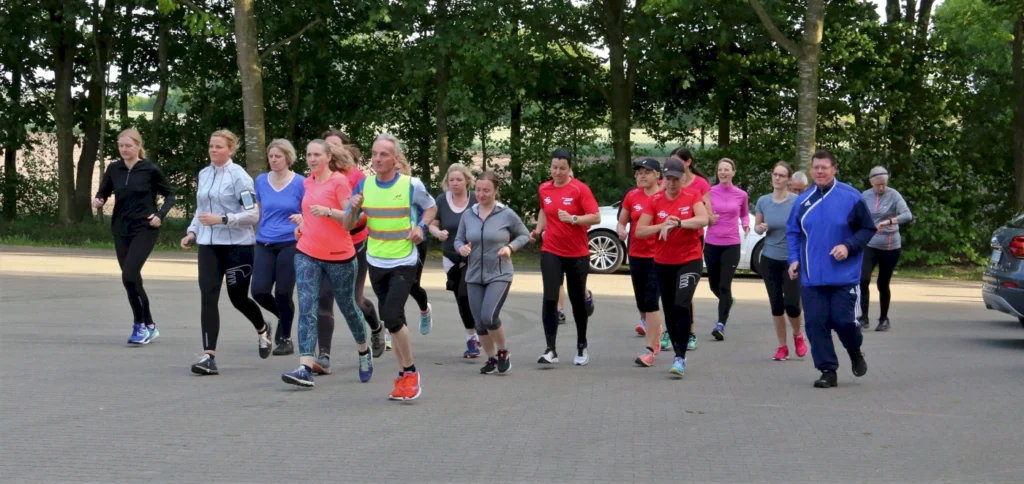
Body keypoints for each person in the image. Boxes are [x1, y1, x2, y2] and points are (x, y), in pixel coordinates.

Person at [343, 133, 437, 401]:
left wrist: (420, 227)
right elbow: (348, 226)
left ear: (396, 159)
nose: (377, 159)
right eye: (374, 154)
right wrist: (352, 208)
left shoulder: (411, 184)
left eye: (384, 154)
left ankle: (411, 372)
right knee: (393, 322)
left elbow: (430, 208)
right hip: (376, 260)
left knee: (392, 317)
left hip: (404, 260)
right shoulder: (364, 185)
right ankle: (401, 376)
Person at [280, 140, 372, 387]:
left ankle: (364, 351)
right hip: (307, 252)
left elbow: (351, 222)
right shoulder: (307, 182)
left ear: (328, 157)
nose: (311, 159)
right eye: (308, 154)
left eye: (317, 155)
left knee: (349, 307)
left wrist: (329, 212)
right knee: (307, 307)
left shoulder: (339, 182)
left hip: (339, 256)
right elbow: (310, 213)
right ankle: (305, 367)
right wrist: (302, 225)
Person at [181, 130, 270, 375]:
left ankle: (263, 329)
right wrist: (192, 232)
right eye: (211, 146)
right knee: (208, 297)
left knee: (237, 298)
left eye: (219, 147)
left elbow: (253, 215)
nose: (213, 150)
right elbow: (201, 210)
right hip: (209, 246)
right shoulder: (204, 174)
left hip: (237, 247)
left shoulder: (239, 177)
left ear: (231, 150)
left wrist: (222, 219)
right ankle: (209, 357)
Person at [786, 150, 875, 388]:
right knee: (816, 324)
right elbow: (793, 232)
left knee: (843, 321)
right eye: (816, 167)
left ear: (834, 169)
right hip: (811, 277)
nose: (820, 171)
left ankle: (855, 351)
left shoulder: (851, 196)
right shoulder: (803, 200)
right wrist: (794, 259)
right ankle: (827, 370)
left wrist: (848, 246)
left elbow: (867, 229)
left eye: (824, 167)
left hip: (844, 276)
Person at [93, 128, 176, 345]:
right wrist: (99, 199)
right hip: (121, 228)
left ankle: (139, 325)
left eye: (128, 146)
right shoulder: (114, 169)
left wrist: (160, 215)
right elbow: (104, 191)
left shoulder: (150, 170)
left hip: (145, 228)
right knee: (131, 279)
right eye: (121, 146)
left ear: (138, 146)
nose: (124, 150)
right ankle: (149, 324)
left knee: (129, 273)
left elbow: (170, 194)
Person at [316, 132, 385, 373]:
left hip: (354, 244)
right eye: (326, 146)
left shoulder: (357, 177)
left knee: (353, 301)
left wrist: (331, 214)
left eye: (334, 146)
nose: (330, 150)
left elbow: (360, 218)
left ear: (344, 149)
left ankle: (376, 328)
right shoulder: (316, 177)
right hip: (324, 246)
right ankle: (323, 356)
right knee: (323, 297)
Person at [635, 157, 709, 376]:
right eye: (668, 179)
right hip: (663, 262)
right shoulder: (656, 200)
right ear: (663, 179)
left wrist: (679, 223)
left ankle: (680, 357)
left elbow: (704, 219)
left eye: (676, 179)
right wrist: (662, 225)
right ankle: (677, 352)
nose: (672, 184)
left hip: (689, 260)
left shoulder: (692, 196)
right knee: (668, 309)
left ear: (683, 178)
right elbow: (640, 231)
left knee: (681, 304)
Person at [454, 170, 531, 374]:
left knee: (489, 316)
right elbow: (458, 239)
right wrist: (461, 248)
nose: (481, 194)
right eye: (478, 190)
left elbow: (524, 235)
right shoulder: (469, 214)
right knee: (479, 321)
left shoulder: (506, 214)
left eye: (487, 190)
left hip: (499, 273)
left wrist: (510, 248)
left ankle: (503, 350)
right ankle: (491, 358)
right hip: (474, 275)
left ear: (496, 191)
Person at [530, 148, 601, 366]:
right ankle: (550, 349)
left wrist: (574, 218)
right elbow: (544, 210)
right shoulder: (544, 188)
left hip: (577, 253)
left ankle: (581, 344)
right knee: (550, 298)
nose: (558, 172)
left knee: (577, 299)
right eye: (554, 168)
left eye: (562, 168)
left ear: (570, 168)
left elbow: (596, 216)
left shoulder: (580, 189)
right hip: (551, 249)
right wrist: (538, 229)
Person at [251, 139, 303, 356]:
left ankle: (286, 338)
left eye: (278, 156)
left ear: (288, 158)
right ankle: (283, 318)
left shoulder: (300, 182)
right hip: (264, 242)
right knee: (259, 291)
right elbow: (258, 211)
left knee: (283, 292)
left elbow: (309, 210)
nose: (273, 160)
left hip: (290, 242)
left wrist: (303, 217)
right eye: (271, 156)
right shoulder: (261, 181)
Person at [754, 162, 808, 361]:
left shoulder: (797, 201)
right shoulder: (763, 201)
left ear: (788, 179)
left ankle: (798, 335)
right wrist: (761, 228)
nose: (777, 178)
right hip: (769, 259)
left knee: (792, 305)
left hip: (791, 260)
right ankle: (782, 346)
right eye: (775, 174)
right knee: (776, 305)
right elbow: (757, 227)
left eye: (781, 175)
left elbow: (805, 228)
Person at [429, 163, 482, 358]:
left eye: (459, 179)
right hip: (450, 256)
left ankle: (476, 335)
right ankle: (473, 335)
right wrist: (438, 233)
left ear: (467, 180)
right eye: (451, 180)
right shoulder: (442, 201)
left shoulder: (476, 199)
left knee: (467, 295)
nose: (455, 183)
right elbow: (432, 225)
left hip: (475, 256)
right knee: (461, 298)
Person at [618, 158, 665, 367]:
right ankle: (653, 327)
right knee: (641, 302)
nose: (642, 176)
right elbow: (622, 221)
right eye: (639, 172)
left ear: (658, 175)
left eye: (647, 172)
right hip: (636, 254)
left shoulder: (664, 196)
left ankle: (651, 346)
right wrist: (621, 229)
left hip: (659, 255)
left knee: (651, 300)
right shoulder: (632, 196)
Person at [859, 166, 913, 332]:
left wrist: (889, 222)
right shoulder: (864, 196)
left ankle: (883, 318)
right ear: (871, 182)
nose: (881, 188)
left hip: (890, 245)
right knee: (863, 280)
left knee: (883, 283)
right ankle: (864, 317)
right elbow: (857, 216)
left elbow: (907, 215)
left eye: (884, 184)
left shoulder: (893, 194)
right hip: (870, 244)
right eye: (878, 185)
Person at [669, 147, 712, 352]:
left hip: (693, 239)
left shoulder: (700, 185)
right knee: (670, 294)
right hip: (666, 242)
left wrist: (688, 221)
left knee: (685, 291)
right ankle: (670, 330)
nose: (672, 168)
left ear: (687, 162)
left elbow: (708, 216)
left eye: (677, 162)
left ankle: (690, 331)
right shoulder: (666, 183)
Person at [704, 158, 749, 341]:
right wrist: (707, 218)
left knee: (724, 285)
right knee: (713, 284)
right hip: (712, 243)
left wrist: (745, 225)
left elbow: (745, 213)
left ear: (733, 172)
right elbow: (701, 212)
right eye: (720, 169)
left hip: (731, 244)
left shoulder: (741, 195)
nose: (723, 172)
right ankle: (728, 301)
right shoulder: (708, 193)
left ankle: (720, 324)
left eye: (727, 169)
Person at [396, 155, 433, 335]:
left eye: (398, 169)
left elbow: (429, 209)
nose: (394, 174)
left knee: (411, 285)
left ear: (406, 170)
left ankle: (425, 309)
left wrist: (419, 227)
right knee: (393, 287)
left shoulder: (414, 187)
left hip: (415, 244)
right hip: (390, 245)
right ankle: (394, 330)